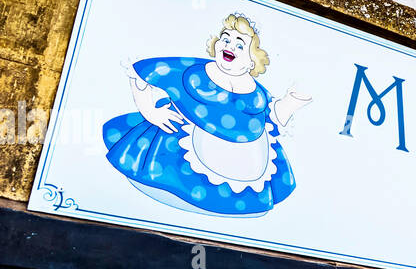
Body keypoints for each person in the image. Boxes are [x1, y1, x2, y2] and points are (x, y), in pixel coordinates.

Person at [102, 13, 311, 217]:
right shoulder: (193, 71)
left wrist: (292, 102)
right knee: (171, 179)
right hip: (177, 143)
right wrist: (150, 112)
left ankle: (225, 206)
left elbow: (273, 118)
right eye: (225, 39)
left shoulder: (258, 93)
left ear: (252, 62)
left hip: (243, 155)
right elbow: (144, 73)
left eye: (240, 45)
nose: (229, 46)